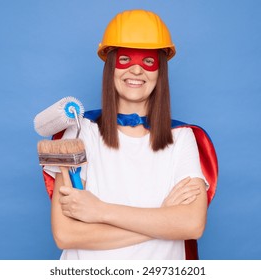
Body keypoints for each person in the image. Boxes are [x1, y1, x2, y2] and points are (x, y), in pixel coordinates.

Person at [43, 9, 218, 260]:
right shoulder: (80, 131)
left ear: (160, 71)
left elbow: (191, 224)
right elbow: (66, 234)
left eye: (148, 61)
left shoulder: (183, 137)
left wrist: (100, 211)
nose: (136, 71)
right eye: (126, 59)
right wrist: (162, 218)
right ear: (111, 65)